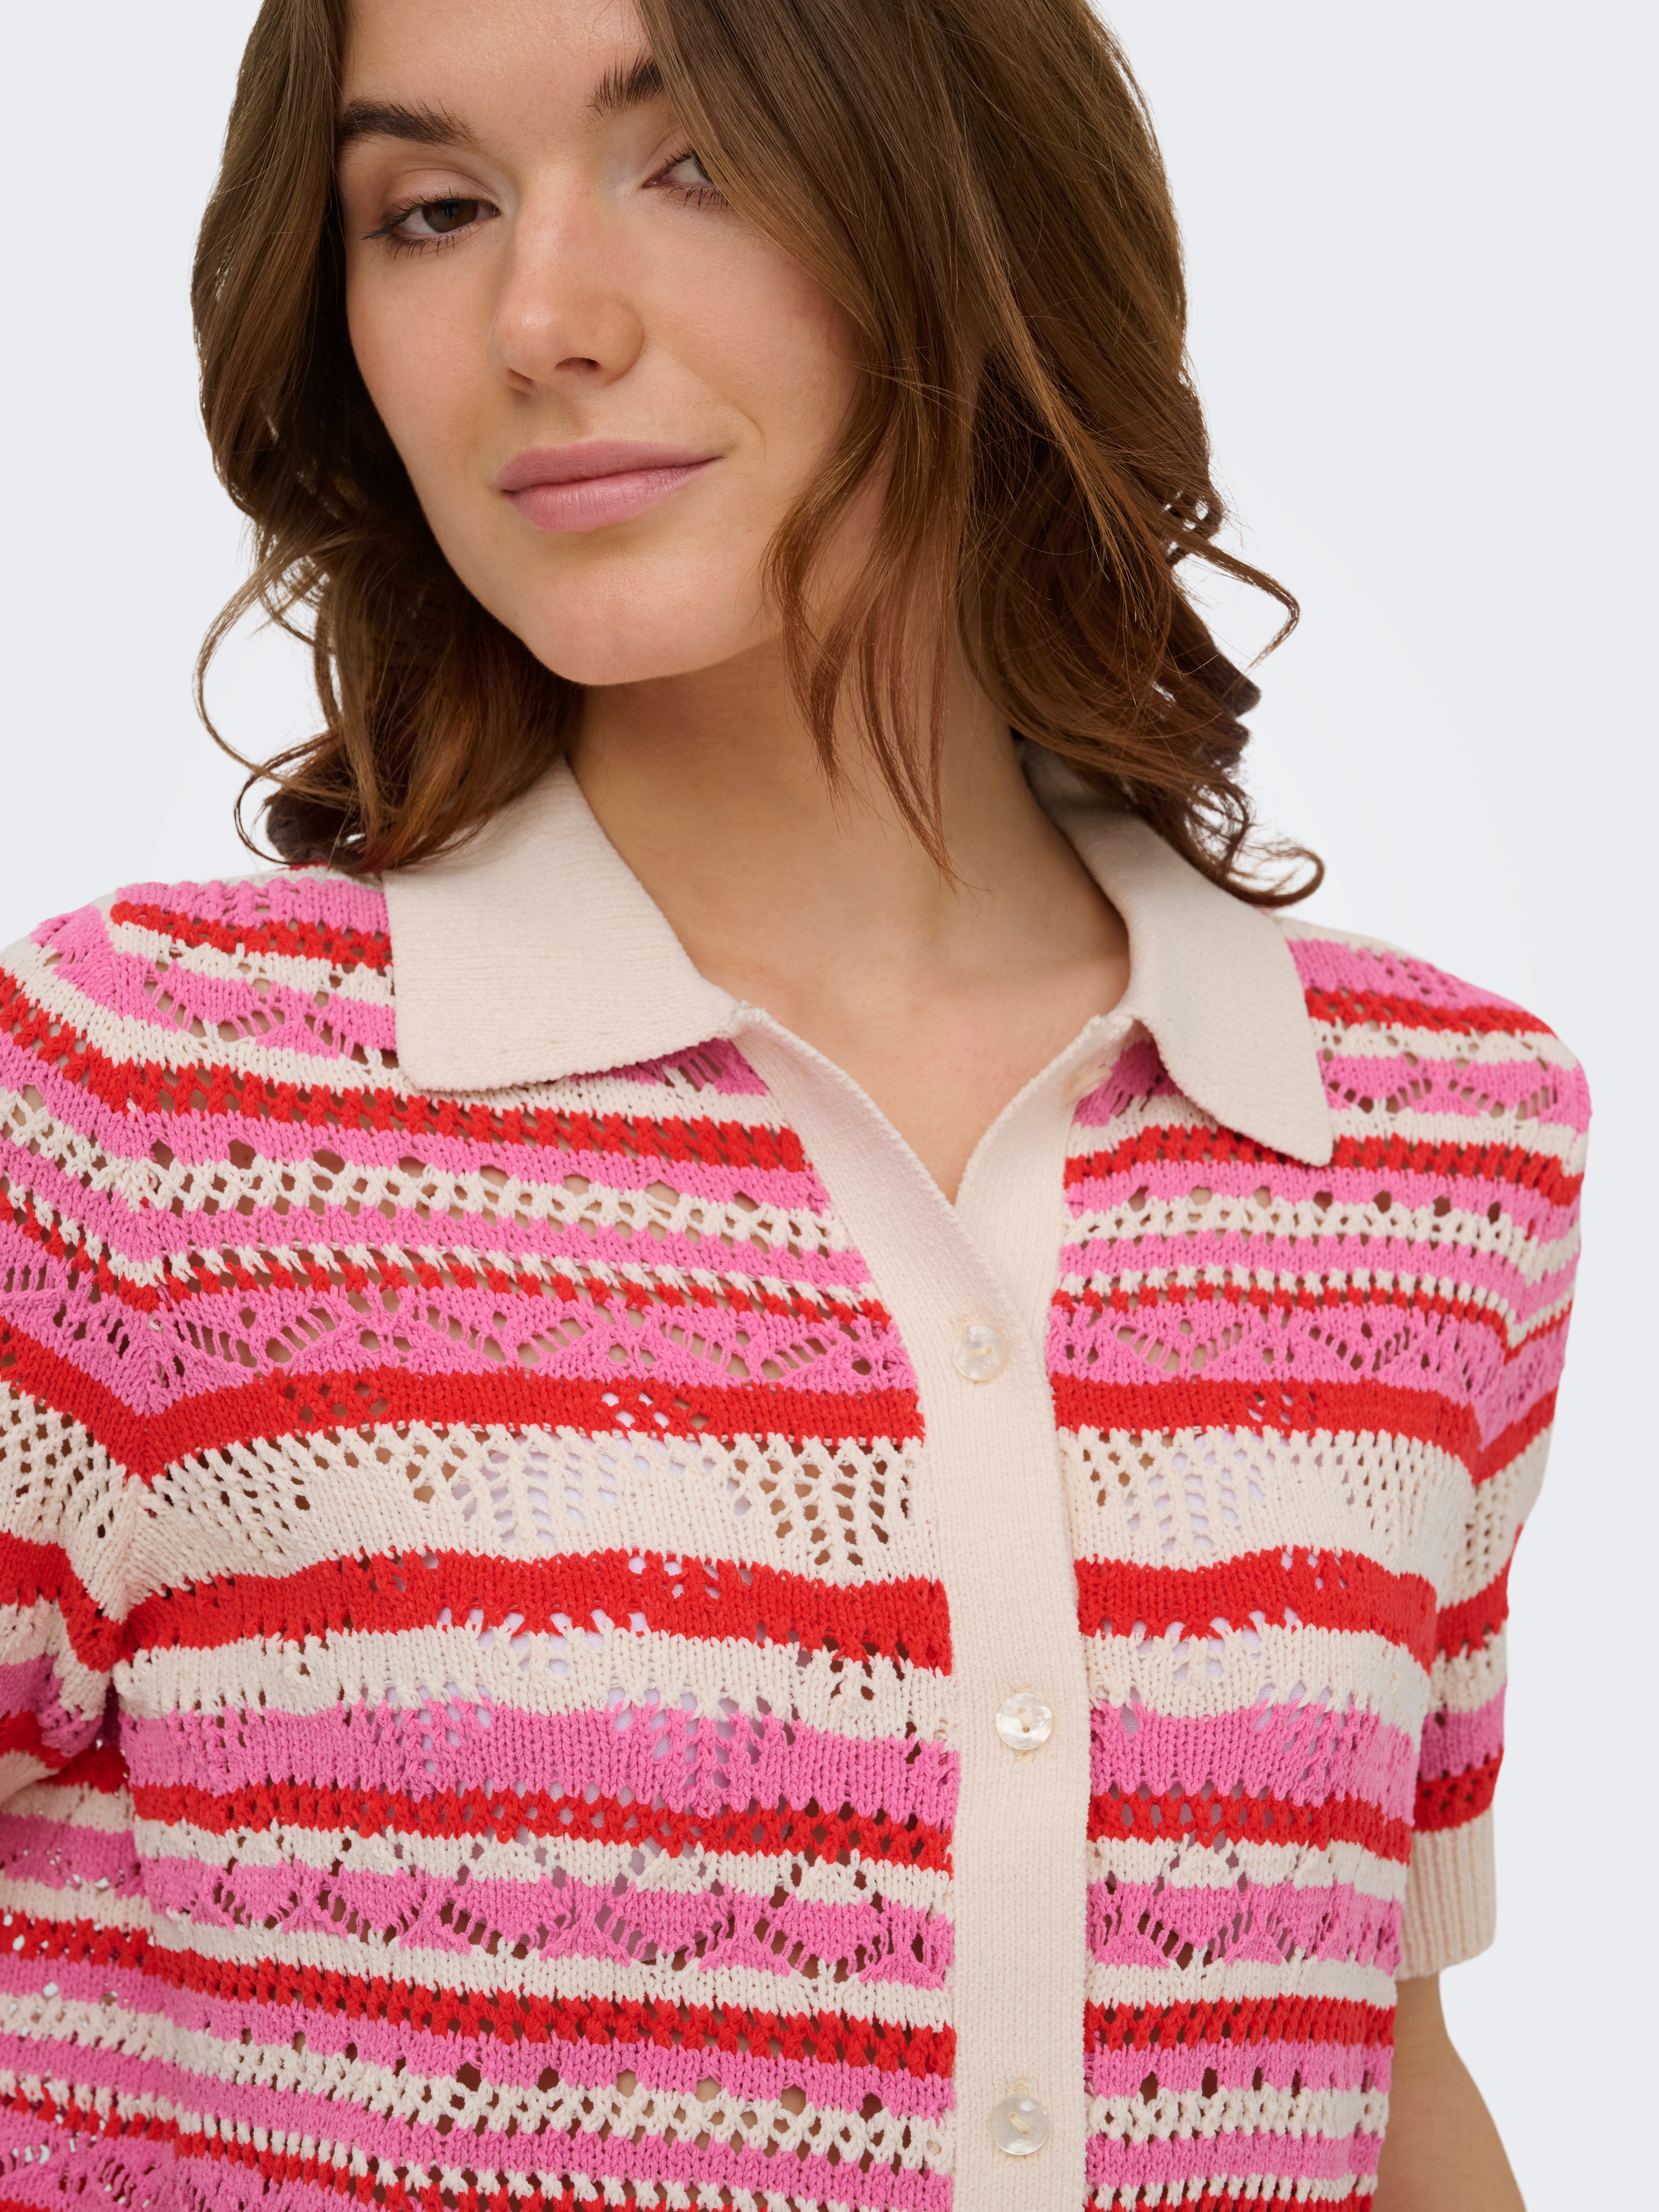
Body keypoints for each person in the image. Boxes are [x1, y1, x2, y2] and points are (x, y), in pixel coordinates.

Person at [0, 1, 1586, 2206]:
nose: (540, 321)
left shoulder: (1429, 1144)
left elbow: (1376, 2065)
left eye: (701, 164)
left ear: (983, 210)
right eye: (430, 210)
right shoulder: (140, 1110)